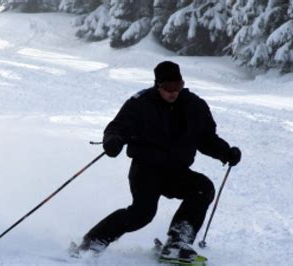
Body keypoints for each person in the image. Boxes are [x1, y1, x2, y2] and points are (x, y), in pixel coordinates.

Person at [76, 61, 241, 261]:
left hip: (176, 171)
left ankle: (177, 243)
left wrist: (226, 153)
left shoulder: (194, 106)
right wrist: (113, 141)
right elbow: (117, 127)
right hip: (146, 169)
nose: (173, 92)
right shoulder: (141, 104)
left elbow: (206, 139)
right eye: (168, 88)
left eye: (178, 86)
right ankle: (92, 242)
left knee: (203, 188)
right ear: (158, 85)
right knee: (142, 214)